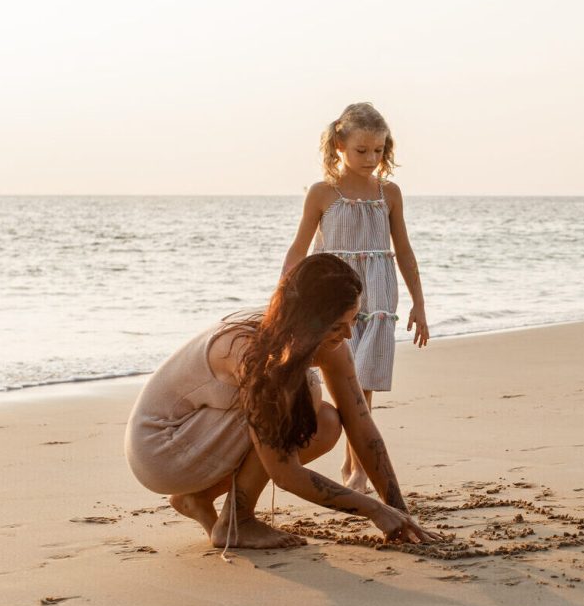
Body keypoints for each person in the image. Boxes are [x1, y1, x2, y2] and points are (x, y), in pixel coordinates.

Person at [126, 254, 437, 550]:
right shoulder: (248, 350)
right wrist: (373, 511)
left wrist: (397, 510)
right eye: (337, 326)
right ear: (308, 322)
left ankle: (198, 499)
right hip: (161, 448)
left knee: (326, 422)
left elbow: (361, 423)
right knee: (304, 392)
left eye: (353, 319)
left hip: (200, 438)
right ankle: (238, 522)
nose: (348, 334)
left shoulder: (325, 341)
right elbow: (285, 474)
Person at [282, 102, 429, 493]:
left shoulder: (390, 193)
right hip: (331, 298)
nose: (371, 158)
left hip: (377, 296)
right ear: (339, 146)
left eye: (379, 150)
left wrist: (419, 303)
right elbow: (299, 250)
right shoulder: (321, 193)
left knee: (361, 381)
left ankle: (357, 469)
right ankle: (355, 467)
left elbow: (405, 251)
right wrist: (284, 294)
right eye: (362, 150)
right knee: (345, 381)